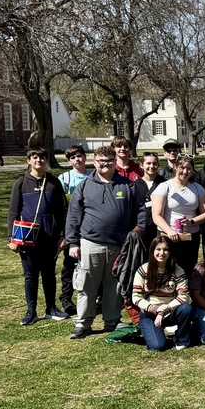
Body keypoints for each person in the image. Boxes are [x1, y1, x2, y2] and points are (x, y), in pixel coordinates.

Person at [65, 145, 146, 339]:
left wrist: (137, 230)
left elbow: (141, 210)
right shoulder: (85, 186)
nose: (105, 164)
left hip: (119, 245)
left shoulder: (127, 185)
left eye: (109, 161)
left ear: (114, 162)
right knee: (87, 285)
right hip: (90, 243)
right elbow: (74, 215)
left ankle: (111, 320)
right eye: (101, 161)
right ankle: (83, 323)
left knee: (115, 285)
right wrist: (73, 242)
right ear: (94, 161)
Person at [8, 147, 68, 325]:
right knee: (30, 276)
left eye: (42, 157)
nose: (39, 160)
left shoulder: (54, 183)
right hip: (28, 239)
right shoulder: (21, 183)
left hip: (50, 237)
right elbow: (13, 211)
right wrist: (12, 238)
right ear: (29, 161)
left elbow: (63, 211)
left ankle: (51, 308)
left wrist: (63, 235)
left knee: (49, 274)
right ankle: (31, 311)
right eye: (35, 157)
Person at [151, 154, 205, 278]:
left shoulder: (197, 188)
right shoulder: (164, 187)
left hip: (190, 237)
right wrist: (169, 231)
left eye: (188, 168)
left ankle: (186, 295)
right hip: (168, 236)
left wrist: (192, 222)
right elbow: (156, 216)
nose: (185, 171)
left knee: (188, 269)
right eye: (182, 168)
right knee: (168, 268)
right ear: (175, 168)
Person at [132, 236, 193, 351]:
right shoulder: (143, 270)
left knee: (186, 308)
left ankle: (181, 339)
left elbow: (184, 296)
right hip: (150, 314)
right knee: (157, 346)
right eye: (158, 249)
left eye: (166, 249)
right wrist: (154, 309)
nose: (162, 253)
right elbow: (136, 297)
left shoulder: (178, 270)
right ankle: (149, 330)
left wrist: (165, 310)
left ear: (170, 252)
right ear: (152, 251)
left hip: (171, 311)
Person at [58, 145, 91, 315]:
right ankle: (66, 297)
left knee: (91, 265)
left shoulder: (93, 176)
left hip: (91, 227)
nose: (77, 160)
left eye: (80, 156)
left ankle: (94, 297)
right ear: (69, 161)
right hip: (72, 228)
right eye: (73, 157)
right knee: (70, 265)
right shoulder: (64, 179)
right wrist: (63, 235)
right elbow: (59, 209)